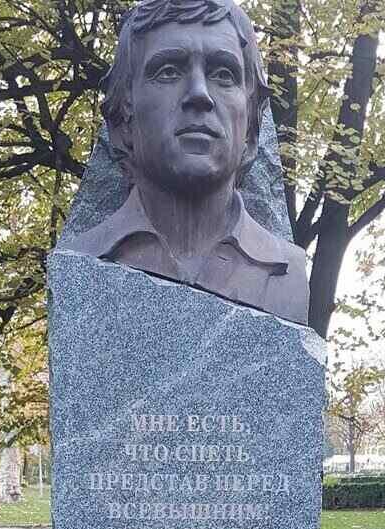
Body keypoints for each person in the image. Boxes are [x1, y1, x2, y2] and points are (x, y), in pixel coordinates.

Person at [70, 0, 309, 325]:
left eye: (223, 74)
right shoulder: (82, 262)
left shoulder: (288, 272)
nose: (199, 94)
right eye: (168, 71)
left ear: (251, 129)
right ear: (124, 119)